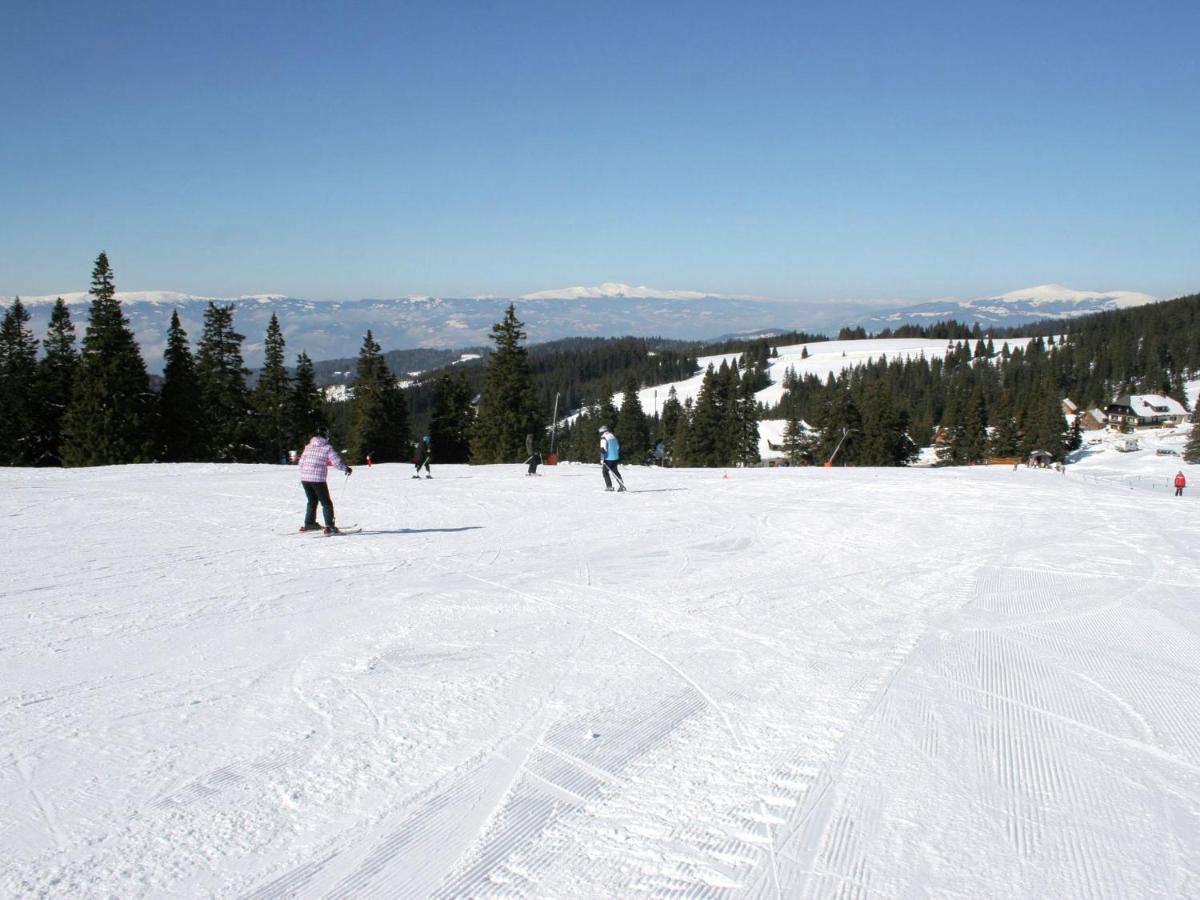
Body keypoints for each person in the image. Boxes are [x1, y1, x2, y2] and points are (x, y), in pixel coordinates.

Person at [298, 426, 351, 533]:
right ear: (326, 435)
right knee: (326, 502)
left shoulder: (308, 446)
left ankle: (309, 523)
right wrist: (346, 468)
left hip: (304, 478)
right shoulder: (327, 448)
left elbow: (301, 462)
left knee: (312, 501)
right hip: (317, 479)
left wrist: (304, 473)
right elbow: (336, 462)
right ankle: (330, 526)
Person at [599, 425, 625, 492]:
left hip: (608, 458)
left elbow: (603, 449)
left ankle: (609, 487)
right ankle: (622, 486)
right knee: (615, 472)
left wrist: (602, 458)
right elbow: (618, 447)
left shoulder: (603, 438)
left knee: (605, 472)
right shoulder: (613, 436)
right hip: (615, 458)